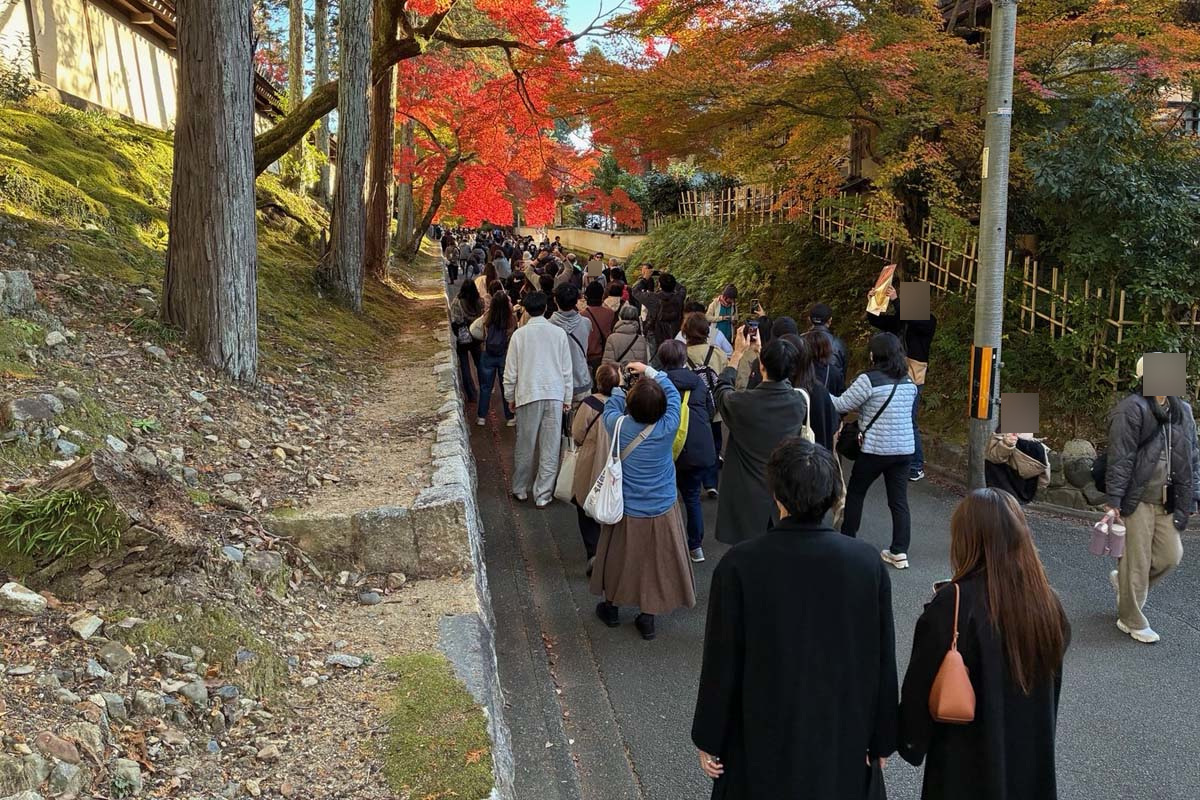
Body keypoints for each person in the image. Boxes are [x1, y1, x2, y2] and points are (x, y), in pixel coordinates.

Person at [692, 438, 897, 799]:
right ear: (835, 494)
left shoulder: (740, 564)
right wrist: (882, 737)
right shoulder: (866, 564)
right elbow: (880, 657)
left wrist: (710, 735)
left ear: (776, 494)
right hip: (841, 731)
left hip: (760, 729)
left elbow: (722, 658)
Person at [899, 488, 1070, 800]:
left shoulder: (954, 602)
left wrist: (907, 740)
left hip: (963, 769)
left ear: (966, 538)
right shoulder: (1048, 603)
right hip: (1029, 764)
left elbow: (918, 690)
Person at [591, 362, 697, 640]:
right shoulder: (668, 425)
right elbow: (673, 394)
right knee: (656, 561)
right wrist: (650, 370)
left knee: (618, 558)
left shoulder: (619, 425)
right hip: (662, 505)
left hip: (626, 506)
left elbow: (610, 406)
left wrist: (619, 386)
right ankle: (648, 616)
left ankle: (612, 607)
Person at [1102, 355, 1199, 643]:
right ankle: (1130, 618)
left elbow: (1193, 456)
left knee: (1171, 556)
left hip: (1168, 498)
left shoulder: (1183, 410)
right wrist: (1115, 500)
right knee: (1137, 561)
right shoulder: (1130, 409)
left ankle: (1125, 586)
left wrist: (1191, 496)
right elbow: (1120, 457)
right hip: (1138, 497)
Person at [713, 330, 807, 545]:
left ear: (761, 366)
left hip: (746, 493)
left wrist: (737, 353)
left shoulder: (742, 403)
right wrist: (762, 353)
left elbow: (721, 389)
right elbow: (779, 379)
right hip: (783, 492)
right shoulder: (798, 402)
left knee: (747, 556)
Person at [833, 332, 918, 569]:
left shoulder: (868, 380)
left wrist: (820, 394)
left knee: (857, 493)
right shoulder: (908, 381)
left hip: (875, 449)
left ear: (874, 354)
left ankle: (848, 541)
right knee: (898, 501)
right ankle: (899, 551)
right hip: (903, 451)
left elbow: (841, 404)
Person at [503, 292, 574, 508]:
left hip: (527, 393)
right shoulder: (559, 333)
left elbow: (511, 371)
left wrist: (509, 396)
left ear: (525, 309)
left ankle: (520, 488)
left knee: (525, 444)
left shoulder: (519, 335)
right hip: (554, 393)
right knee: (550, 447)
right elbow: (566, 369)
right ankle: (543, 493)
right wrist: (567, 397)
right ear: (546, 309)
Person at [867, 284, 938, 482]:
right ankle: (897, 461)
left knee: (910, 420)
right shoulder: (903, 319)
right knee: (894, 418)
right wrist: (873, 302)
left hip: (913, 378)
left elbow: (914, 319)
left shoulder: (928, 320)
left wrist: (897, 302)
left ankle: (916, 465)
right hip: (895, 374)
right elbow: (878, 321)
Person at [659, 340, 717, 563]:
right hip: (697, 448)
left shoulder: (659, 384)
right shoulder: (699, 384)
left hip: (666, 447)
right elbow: (711, 411)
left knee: (665, 496)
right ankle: (696, 547)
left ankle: (666, 545)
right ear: (684, 359)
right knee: (692, 498)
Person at [571, 364, 622, 576]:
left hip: (590, 461)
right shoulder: (623, 405)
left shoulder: (588, 404)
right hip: (616, 462)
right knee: (613, 505)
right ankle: (613, 553)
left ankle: (593, 552)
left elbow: (577, 434)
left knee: (585, 505)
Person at [681, 312, 729, 499]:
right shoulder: (717, 353)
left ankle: (693, 478)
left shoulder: (683, 354)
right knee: (715, 443)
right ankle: (711, 482)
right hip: (715, 407)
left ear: (685, 333)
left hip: (693, 408)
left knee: (691, 443)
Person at [780, 333, 837, 452]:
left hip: (787, 461)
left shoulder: (781, 393)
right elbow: (832, 427)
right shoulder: (820, 391)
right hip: (818, 460)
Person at [473, 291, 517, 428]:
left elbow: (475, 329)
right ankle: (509, 417)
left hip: (488, 354)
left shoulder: (487, 317)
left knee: (485, 387)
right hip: (504, 355)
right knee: (506, 386)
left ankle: (481, 417)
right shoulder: (512, 319)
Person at [550, 284, 593, 403]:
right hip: (582, 379)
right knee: (581, 420)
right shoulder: (586, 323)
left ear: (555, 300)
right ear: (576, 301)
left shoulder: (549, 326)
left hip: (557, 383)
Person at [984, 432, 1050, 504]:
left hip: (1000, 491)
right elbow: (1044, 476)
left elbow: (994, 458)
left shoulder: (1003, 441)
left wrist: (1006, 444)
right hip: (1024, 494)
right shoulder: (1039, 449)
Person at [450, 280, 484, 403]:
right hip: (475, 336)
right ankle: (485, 388)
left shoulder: (457, 302)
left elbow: (456, 321)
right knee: (479, 363)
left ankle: (471, 394)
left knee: (465, 366)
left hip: (463, 338)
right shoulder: (479, 302)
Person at [634, 272, 686, 350]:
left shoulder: (652, 298)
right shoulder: (679, 298)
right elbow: (682, 288)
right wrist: (668, 279)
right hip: (674, 331)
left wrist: (644, 279)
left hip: (655, 333)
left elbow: (635, 291)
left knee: (656, 359)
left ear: (659, 285)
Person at [807, 302, 848, 396]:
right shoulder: (838, 344)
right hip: (831, 395)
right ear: (830, 320)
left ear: (810, 319)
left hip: (804, 397)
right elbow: (842, 374)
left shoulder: (799, 341)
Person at [581, 281, 616, 381]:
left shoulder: (582, 316)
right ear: (602, 296)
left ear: (586, 297)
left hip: (590, 356)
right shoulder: (610, 313)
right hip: (607, 355)